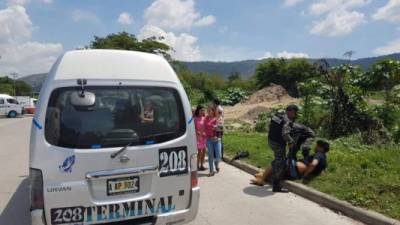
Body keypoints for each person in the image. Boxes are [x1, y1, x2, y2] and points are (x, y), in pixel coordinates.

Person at [250, 140, 330, 185]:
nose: (315, 147)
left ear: (321, 148)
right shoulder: (323, 157)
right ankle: (263, 174)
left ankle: (261, 180)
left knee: (279, 161)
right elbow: (320, 169)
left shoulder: (319, 154)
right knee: (278, 170)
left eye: (317, 146)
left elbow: (313, 164)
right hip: (295, 171)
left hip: (296, 169)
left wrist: (305, 174)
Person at [267, 104, 299, 192]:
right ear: (292, 111)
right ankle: (276, 186)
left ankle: (271, 172)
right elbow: (285, 134)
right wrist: (291, 141)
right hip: (278, 143)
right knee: (280, 162)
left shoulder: (278, 114)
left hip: (271, 140)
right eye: (295, 113)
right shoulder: (287, 120)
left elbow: (270, 125)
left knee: (278, 159)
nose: (295, 115)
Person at [204, 105, 222, 176]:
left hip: (217, 139)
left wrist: (216, 128)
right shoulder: (206, 118)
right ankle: (211, 171)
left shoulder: (217, 118)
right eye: (207, 111)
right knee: (210, 155)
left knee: (218, 156)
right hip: (209, 139)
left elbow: (221, 129)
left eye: (209, 110)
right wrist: (201, 135)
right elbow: (204, 128)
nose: (208, 112)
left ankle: (216, 164)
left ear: (213, 111)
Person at [194, 105, 207, 171]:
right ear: (198, 110)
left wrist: (205, 133)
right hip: (198, 137)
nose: (202, 111)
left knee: (204, 151)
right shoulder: (195, 118)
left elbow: (206, 127)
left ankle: (202, 165)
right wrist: (198, 132)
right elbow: (193, 128)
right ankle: (197, 165)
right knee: (200, 151)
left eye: (203, 110)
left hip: (204, 137)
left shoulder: (204, 118)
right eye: (201, 110)